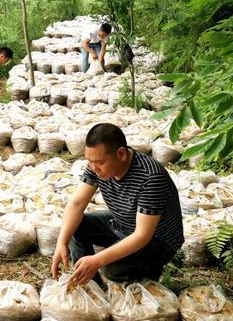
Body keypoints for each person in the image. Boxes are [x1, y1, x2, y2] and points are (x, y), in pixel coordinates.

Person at [51, 123, 184, 287]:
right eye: (89, 161)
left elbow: (142, 235)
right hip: (123, 224)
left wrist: (98, 260)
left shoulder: (150, 177)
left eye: (100, 163)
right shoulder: (96, 164)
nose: (94, 168)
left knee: (111, 268)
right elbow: (77, 204)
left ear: (121, 154)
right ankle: (89, 285)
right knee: (73, 226)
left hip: (157, 240)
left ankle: (146, 275)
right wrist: (61, 242)